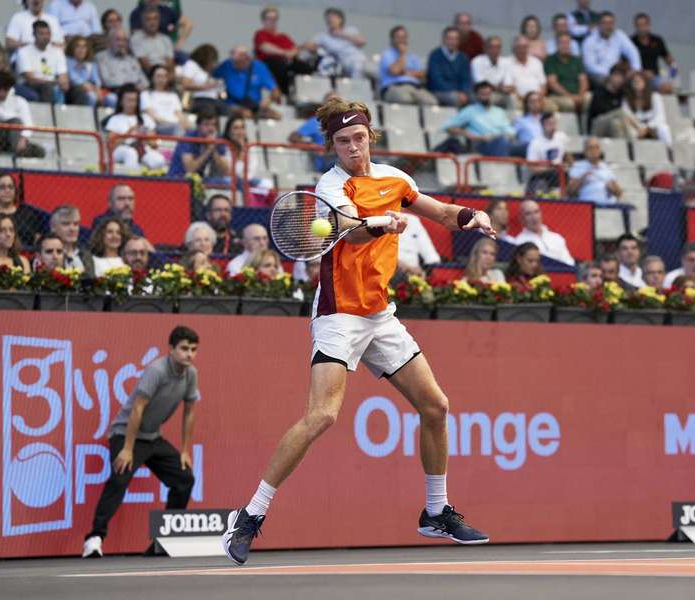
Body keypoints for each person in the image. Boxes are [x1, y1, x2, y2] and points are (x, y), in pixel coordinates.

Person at [221, 95, 493, 566]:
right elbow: (349, 228)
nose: (353, 147)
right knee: (322, 416)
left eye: (359, 138)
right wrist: (380, 224)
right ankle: (249, 516)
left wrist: (473, 217)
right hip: (340, 314)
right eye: (343, 140)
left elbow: (444, 212)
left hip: (379, 314)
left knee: (436, 405)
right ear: (332, 144)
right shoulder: (329, 185)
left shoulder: (395, 179)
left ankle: (435, 510)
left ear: (371, 137)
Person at [82, 326, 200, 559]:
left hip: (153, 437)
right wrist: (127, 448)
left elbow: (189, 412)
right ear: (171, 349)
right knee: (119, 478)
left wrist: (185, 451)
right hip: (126, 434)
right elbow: (137, 408)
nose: (189, 354)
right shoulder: (156, 370)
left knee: (184, 478)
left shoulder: (191, 374)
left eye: (194, 350)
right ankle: (94, 539)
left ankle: (164, 541)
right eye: (184, 349)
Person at [440, 81, 515, 156]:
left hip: (502, 141)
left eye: (489, 93)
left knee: (522, 146)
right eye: (483, 94)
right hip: (482, 144)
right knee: (502, 143)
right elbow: (446, 126)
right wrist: (470, 135)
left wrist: (497, 136)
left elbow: (510, 132)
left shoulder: (500, 111)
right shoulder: (470, 110)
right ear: (476, 95)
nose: (486, 97)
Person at [103, 84, 166, 170]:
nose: (132, 104)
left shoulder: (146, 118)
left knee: (158, 160)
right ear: (121, 101)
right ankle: (131, 181)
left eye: (134, 100)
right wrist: (130, 133)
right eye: (129, 100)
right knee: (131, 153)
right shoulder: (114, 119)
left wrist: (145, 137)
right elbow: (111, 144)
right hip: (120, 151)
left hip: (142, 149)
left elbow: (154, 144)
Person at [253, 6, 313, 96]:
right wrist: (285, 53)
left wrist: (301, 48)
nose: (272, 21)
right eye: (269, 18)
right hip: (269, 62)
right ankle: (283, 94)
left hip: (286, 61)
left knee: (306, 68)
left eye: (274, 19)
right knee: (280, 66)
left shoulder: (283, 36)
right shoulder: (260, 33)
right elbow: (265, 47)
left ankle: (303, 95)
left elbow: (294, 49)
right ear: (263, 20)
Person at [15, 20, 78, 104]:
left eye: (48, 33)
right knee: (48, 87)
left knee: (78, 90)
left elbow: (63, 75)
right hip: (30, 86)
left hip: (53, 85)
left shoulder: (57, 52)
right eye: (41, 34)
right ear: (34, 35)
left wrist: (64, 83)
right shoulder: (24, 51)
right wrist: (54, 82)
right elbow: (30, 79)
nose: (45, 36)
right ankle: (48, 115)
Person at [214, 46, 280, 120]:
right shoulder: (226, 66)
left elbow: (276, 91)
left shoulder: (259, 67)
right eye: (235, 62)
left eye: (241, 61)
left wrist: (268, 100)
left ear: (248, 58)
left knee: (277, 116)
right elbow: (212, 79)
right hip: (232, 106)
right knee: (245, 114)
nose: (237, 65)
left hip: (254, 106)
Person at [379, 25, 437, 106]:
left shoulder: (413, 56)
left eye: (404, 37)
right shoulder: (387, 54)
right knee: (405, 99)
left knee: (431, 102)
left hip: (415, 87)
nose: (401, 40)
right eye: (398, 37)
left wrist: (405, 72)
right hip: (393, 87)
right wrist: (402, 54)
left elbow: (423, 73)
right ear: (392, 39)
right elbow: (395, 71)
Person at [167, 106, 230, 180]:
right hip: (178, 179)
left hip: (199, 180)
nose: (211, 128)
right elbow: (190, 169)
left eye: (214, 125)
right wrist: (209, 150)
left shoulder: (217, 139)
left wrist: (213, 150)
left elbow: (225, 171)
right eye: (206, 124)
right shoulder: (188, 138)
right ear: (198, 126)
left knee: (226, 180)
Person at [0, 71, 46, 158]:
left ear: (10, 89)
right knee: (15, 121)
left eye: (5, 90)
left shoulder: (20, 101)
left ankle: (15, 152)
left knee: (39, 151)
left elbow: (28, 124)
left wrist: (23, 139)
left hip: (14, 138)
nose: (1, 93)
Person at [581, 11, 641, 86]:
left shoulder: (619, 35)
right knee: (608, 81)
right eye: (605, 23)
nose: (608, 26)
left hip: (618, 73)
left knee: (637, 79)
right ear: (599, 24)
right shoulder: (589, 41)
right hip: (598, 74)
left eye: (611, 23)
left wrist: (636, 69)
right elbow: (590, 66)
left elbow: (632, 51)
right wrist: (611, 74)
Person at [223, 114, 273, 195]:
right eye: (236, 128)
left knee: (267, 184)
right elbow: (228, 172)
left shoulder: (250, 147)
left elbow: (252, 171)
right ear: (228, 132)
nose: (240, 132)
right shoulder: (224, 147)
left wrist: (243, 150)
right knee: (234, 181)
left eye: (242, 128)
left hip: (247, 181)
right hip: (229, 180)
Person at [512, 199, 574, 265]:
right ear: (522, 219)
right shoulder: (520, 242)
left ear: (541, 214)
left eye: (536, 212)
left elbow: (569, 262)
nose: (534, 217)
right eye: (528, 214)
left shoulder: (557, 238)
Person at [0, 172, 46, 249]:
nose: (7, 190)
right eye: (2, 187)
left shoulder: (28, 214)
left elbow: (38, 240)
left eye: (10, 187)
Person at [309, 7, 367, 78]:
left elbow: (362, 42)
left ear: (340, 19)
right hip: (339, 62)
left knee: (359, 65)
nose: (330, 19)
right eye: (328, 17)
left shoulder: (351, 30)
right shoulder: (323, 36)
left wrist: (342, 34)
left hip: (356, 59)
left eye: (333, 17)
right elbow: (311, 46)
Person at [630, 13, 677, 94]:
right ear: (635, 26)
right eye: (639, 25)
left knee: (667, 88)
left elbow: (668, 58)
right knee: (638, 87)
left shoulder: (657, 40)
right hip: (636, 76)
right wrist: (642, 72)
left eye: (644, 25)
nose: (641, 28)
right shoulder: (630, 42)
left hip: (654, 77)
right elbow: (625, 64)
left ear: (648, 25)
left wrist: (673, 69)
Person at [95, 27, 148, 99]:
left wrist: (142, 86)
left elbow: (144, 80)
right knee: (111, 99)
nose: (121, 43)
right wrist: (127, 85)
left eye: (124, 40)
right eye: (118, 40)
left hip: (135, 92)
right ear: (110, 41)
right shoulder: (101, 57)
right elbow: (106, 81)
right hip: (115, 92)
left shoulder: (132, 59)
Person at [505, 36, 554, 113]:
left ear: (528, 48)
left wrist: (538, 98)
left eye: (525, 47)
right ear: (513, 49)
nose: (522, 50)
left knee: (552, 107)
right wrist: (526, 99)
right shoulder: (507, 62)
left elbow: (543, 85)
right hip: (520, 99)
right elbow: (510, 87)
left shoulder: (536, 62)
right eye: (519, 47)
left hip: (539, 98)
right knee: (517, 105)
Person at [544, 32, 589, 114]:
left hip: (579, 94)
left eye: (567, 43)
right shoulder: (550, 60)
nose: (565, 45)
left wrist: (580, 96)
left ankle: (588, 125)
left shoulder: (577, 60)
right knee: (569, 103)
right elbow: (553, 84)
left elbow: (584, 81)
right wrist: (571, 96)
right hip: (559, 96)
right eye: (562, 43)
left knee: (591, 99)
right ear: (557, 45)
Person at [567, 136, 622, 204]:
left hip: (608, 206)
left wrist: (613, 188)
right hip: (587, 206)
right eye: (590, 148)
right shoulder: (577, 166)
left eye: (597, 147)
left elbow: (619, 193)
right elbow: (570, 192)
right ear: (584, 151)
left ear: (600, 150)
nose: (594, 150)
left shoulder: (607, 167)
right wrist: (582, 179)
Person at [427, 27, 472, 107]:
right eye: (450, 39)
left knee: (476, 98)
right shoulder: (435, 55)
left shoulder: (463, 57)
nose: (452, 42)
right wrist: (456, 92)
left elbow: (466, 79)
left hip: (460, 92)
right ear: (444, 40)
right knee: (454, 98)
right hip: (439, 91)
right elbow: (437, 80)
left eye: (455, 39)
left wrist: (464, 92)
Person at [622, 70, 671, 145]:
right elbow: (627, 115)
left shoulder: (655, 96)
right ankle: (632, 154)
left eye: (639, 81)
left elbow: (660, 117)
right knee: (628, 132)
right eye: (634, 81)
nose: (637, 83)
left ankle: (669, 152)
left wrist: (647, 128)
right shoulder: (626, 100)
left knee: (664, 129)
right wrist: (640, 128)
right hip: (637, 129)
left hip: (652, 127)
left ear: (645, 82)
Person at [525, 112, 569, 194]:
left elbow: (566, 156)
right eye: (549, 123)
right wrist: (551, 169)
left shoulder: (562, 137)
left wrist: (567, 165)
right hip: (542, 175)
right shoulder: (535, 143)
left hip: (560, 173)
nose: (552, 126)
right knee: (541, 184)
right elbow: (532, 168)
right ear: (542, 125)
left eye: (554, 123)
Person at [470, 36, 515, 109]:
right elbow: (482, 85)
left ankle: (511, 120)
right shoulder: (477, 61)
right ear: (485, 49)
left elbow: (509, 85)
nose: (495, 50)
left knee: (511, 98)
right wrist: (500, 88)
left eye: (498, 47)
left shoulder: (506, 62)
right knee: (487, 96)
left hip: (499, 94)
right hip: (480, 94)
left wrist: (500, 88)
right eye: (492, 47)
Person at [180, 44, 224, 115]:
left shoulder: (207, 71)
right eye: (212, 60)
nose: (213, 63)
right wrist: (206, 86)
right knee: (208, 110)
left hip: (213, 99)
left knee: (226, 111)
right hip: (198, 99)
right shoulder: (191, 65)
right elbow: (185, 85)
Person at [141, 64, 184, 136]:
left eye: (164, 76)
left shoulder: (173, 95)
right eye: (159, 76)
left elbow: (179, 113)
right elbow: (152, 116)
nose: (162, 79)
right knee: (178, 128)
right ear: (152, 78)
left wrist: (185, 124)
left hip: (176, 126)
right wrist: (174, 124)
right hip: (158, 126)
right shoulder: (145, 94)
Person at [586, 65, 628, 138]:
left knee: (616, 124)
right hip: (597, 126)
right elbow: (599, 110)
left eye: (622, 77)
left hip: (612, 124)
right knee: (620, 112)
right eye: (617, 76)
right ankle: (632, 142)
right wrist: (617, 112)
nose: (619, 80)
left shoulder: (621, 94)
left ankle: (623, 147)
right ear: (610, 76)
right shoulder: (599, 91)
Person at [130, 5, 174, 74]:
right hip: (150, 75)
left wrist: (168, 77)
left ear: (159, 20)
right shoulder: (136, 39)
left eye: (155, 18)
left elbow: (171, 64)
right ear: (143, 21)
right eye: (148, 19)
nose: (152, 22)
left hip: (165, 75)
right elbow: (145, 65)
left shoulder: (166, 39)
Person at [50, 204, 92, 272]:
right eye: (66, 224)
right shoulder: (48, 255)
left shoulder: (86, 254)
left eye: (76, 224)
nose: (72, 229)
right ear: (53, 227)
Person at [66, 35, 101, 106]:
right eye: (78, 46)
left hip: (90, 90)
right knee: (91, 96)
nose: (81, 49)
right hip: (72, 91)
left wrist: (97, 89)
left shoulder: (91, 65)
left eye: (84, 47)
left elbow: (97, 81)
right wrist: (86, 86)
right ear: (72, 48)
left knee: (111, 98)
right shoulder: (67, 61)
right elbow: (73, 79)